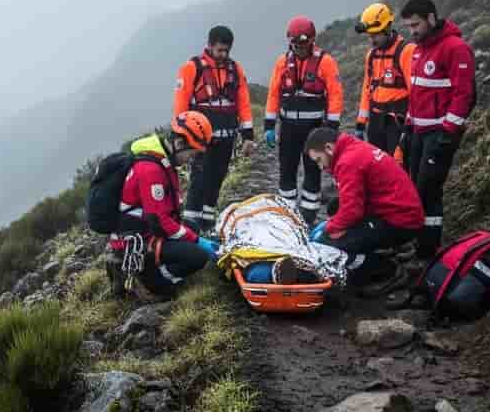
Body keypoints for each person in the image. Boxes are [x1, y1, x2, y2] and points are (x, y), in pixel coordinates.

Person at [106, 111, 220, 299]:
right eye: (191, 154)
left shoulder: (162, 159)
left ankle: (159, 269)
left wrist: (191, 235)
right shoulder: (151, 170)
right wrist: (197, 241)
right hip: (136, 240)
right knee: (198, 256)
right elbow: (159, 222)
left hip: (146, 230)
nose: (191, 159)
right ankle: (151, 283)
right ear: (179, 143)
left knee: (192, 228)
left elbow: (163, 214)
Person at [401, 0, 476, 258]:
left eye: (416, 25)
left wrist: (448, 131)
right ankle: (421, 244)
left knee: (428, 192)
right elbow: (418, 93)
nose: (413, 31)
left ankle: (427, 252)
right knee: (417, 189)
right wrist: (408, 126)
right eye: (409, 26)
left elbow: (464, 95)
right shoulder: (420, 49)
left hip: (439, 135)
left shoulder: (456, 48)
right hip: (419, 133)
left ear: (431, 19)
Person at [173, 25, 256, 234]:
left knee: (217, 178)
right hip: (199, 140)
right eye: (219, 50)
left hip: (226, 137)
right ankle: (190, 225)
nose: (223, 55)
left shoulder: (235, 69)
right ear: (209, 46)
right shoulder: (192, 68)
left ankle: (208, 222)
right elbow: (181, 104)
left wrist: (248, 135)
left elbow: (243, 103)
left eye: (226, 51)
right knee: (199, 180)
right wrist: (180, 136)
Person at [303, 127, 423, 269]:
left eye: (319, 159)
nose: (321, 166)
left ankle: (386, 270)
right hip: (396, 210)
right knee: (335, 208)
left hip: (401, 221)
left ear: (328, 148)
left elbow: (351, 211)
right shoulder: (352, 147)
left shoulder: (347, 162)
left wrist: (328, 229)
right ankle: (386, 248)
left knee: (331, 247)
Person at [264, 16, 343, 227]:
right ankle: (286, 212)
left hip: (314, 129)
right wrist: (269, 125)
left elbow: (335, 95)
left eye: (303, 45)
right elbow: (274, 93)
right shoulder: (282, 63)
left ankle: (309, 213)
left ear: (312, 41)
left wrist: (332, 127)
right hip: (288, 126)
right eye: (296, 45)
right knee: (287, 169)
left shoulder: (325, 62)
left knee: (312, 169)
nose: (299, 49)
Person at [354, 0, 416, 161]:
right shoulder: (371, 55)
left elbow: (416, 93)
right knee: (377, 167)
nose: (372, 39)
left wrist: (409, 129)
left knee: (398, 167)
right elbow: (367, 89)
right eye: (370, 35)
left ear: (387, 28)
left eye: (376, 34)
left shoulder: (406, 51)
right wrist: (361, 123)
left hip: (397, 123)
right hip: (375, 123)